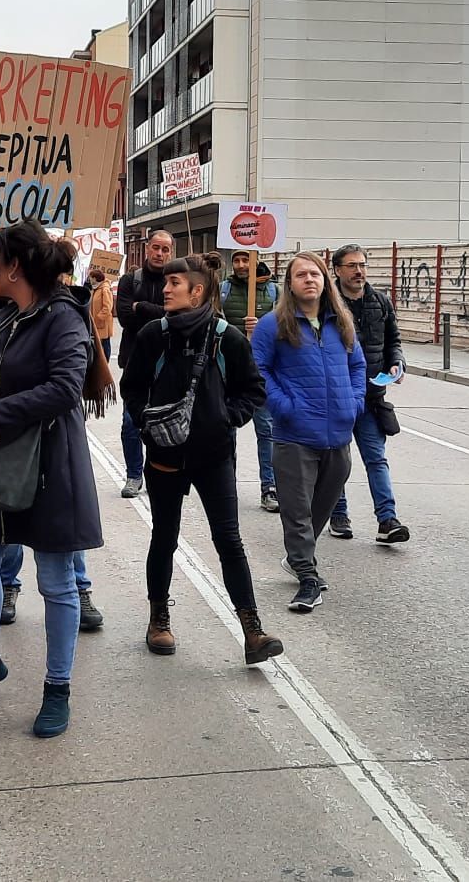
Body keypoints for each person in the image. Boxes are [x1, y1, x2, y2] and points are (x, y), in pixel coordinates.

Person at [0, 221, 108, 740]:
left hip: (51, 465)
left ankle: (58, 689)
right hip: (3, 465)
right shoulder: (12, 315)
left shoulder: (63, 318)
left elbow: (65, 388)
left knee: (55, 582)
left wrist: (0, 413)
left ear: (15, 266)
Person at [122, 254, 283, 665]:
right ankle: (158, 620)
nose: (166, 288)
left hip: (214, 458)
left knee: (229, 540)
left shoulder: (227, 338)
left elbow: (253, 390)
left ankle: (253, 630)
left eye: (176, 282)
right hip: (163, 459)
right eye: (166, 282)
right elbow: (132, 388)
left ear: (198, 291)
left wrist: (225, 419)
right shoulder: (153, 336)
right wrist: (146, 423)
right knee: (165, 537)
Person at [252, 251, 364, 614]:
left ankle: (298, 557)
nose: (309, 280)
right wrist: (288, 408)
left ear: (324, 280)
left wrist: (354, 403)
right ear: (290, 283)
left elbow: (358, 364)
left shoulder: (340, 321)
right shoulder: (274, 324)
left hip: (338, 434)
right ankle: (308, 577)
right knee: (297, 511)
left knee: (322, 506)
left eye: (315, 274)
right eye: (301, 275)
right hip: (294, 436)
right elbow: (259, 371)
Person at [327, 244, 411, 543]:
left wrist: (397, 363)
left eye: (362, 265)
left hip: (372, 398)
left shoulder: (380, 302)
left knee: (376, 459)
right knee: (338, 460)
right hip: (336, 398)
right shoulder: (327, 304)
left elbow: (394, 340)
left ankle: (387, 520)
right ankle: (338, 515)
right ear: (337, 270)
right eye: (351, 266)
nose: (358, 271)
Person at [113, 230, 175, 497]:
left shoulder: (176, 280)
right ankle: (133, 475)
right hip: (134, 363)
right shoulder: (130, 280)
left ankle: (155, 473)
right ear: (146, 248)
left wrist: (142, 307)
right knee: (131, 422)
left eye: (165, 249)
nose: (160, 254)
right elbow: (125, 318)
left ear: (171, 252)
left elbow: (176, 316)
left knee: (163, 421)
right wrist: (157, 311)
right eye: (156, 248)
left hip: (167, 363)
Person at [221, 250, 280, 511]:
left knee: (266, 430)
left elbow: (284, 324)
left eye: (247, 260)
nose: (242, 265)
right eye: (237, 260)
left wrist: (263, 327)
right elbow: (215, 320)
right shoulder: (224, 289)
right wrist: (235, 332)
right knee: (225, 426)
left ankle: (269, 487)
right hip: (230, 370)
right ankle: (225, 483)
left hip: (262, 371)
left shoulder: (274, 291)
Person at [88, 267, 116, 363]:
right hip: (96, 323)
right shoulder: (95, 288)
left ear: (95, 278)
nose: (90, 279)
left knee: (105, 345)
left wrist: (98, 318)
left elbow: (107, 307)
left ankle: (105, 364)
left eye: (91, 277)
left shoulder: (105, 289)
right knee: (98, 346)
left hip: (103, 324)